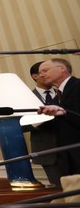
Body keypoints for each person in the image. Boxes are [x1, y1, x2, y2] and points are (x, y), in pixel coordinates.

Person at [36, 58, 80, 186]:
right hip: (66, 157)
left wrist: (65, 113)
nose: (41, 75)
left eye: (45, 70)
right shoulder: (56, 98)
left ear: (62, 69)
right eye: (39, 73)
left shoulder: (77, 86)